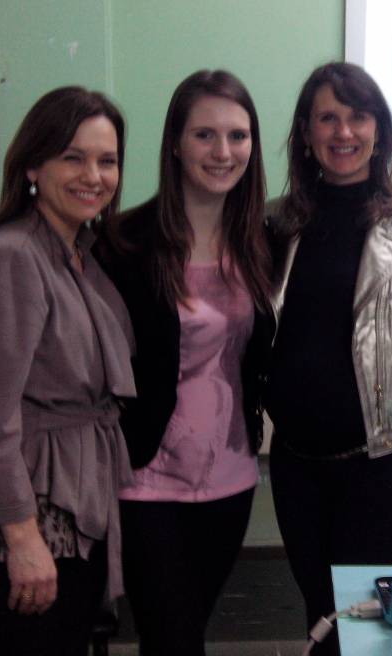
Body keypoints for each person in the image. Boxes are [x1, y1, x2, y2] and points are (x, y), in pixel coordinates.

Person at [265, 62, 392, 655]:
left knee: (361, 624)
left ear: (379, 130)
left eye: (358, 116)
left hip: (385, 465)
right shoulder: (275, 222)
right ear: (306, 132)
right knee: (319, 615)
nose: (344, 132)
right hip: (297, 464)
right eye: (327, 118)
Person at [0, 86, 135, 656]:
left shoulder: (77, 252)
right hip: (29, 524)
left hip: (72, 509)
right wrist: (24, 540)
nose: (93, 176)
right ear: (33, 165)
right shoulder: (11, 257)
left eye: (107, 161)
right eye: (73, 158)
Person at [96, 69, 274, 656]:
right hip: (146, 481)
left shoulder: (262, 243)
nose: (223, 152)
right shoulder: (123, 243)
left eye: (238, 136)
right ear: (175, 142)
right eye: (205, 135)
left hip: (231, 477)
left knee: (189, 631)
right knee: (169, 637)